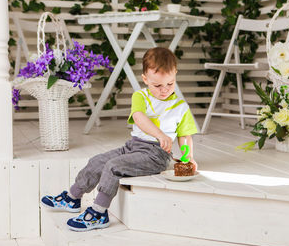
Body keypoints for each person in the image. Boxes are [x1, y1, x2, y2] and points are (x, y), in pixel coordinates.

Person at [41, 47, 198, 231]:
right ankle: (72, 197)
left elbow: (185, 135)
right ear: (145, 79)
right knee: (97, 161)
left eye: (170, 84)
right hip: (133, 147)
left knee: (114, 167)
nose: (164, 90)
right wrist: (160, 134)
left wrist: (188, 157)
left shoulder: (180, 106)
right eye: (157, 85)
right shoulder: (140, 96)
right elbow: (139, 118)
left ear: (175, 76)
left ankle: (99, 212)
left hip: (156, 155)